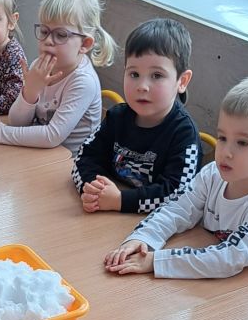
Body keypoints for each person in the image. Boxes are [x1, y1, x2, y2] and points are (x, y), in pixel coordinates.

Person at [104, 72, 248, 280]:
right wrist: (143, 238)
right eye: (222, 137)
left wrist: (156, 261)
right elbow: (176, 209)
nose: (225, 152)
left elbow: (228, 258)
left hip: (247, 294)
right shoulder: (213, 173)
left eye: (242, 143)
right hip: (204, 281)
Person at [73, 17, 200, 215]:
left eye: (157, 75)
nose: (142, 86)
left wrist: (120, 201)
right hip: (107, 214)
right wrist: (91, 189)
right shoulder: (116, 117)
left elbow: (178, 195)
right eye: (134, 74)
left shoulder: (184, 134)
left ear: (182, 81)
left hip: (150, 225)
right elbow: (84, 157)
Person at [0, 0, 115, 155]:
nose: (48, 41)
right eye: (44, 31)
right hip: (41, 152)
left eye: (61, 35)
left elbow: (52, 136)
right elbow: (17, 123)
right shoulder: (39, 66)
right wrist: (30, 92)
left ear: (84, 44)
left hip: (72, 161)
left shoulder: (84, 82)